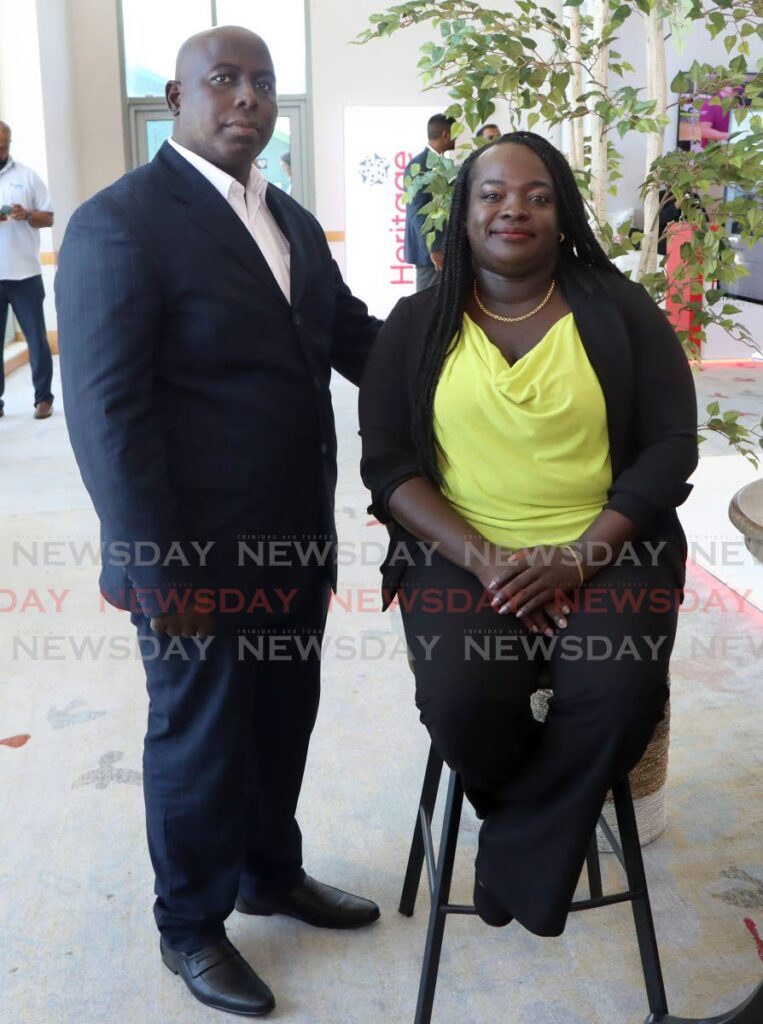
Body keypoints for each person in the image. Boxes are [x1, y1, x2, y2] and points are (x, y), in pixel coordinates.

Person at [56, 27, 382, 1019]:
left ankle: (267, 870)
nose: (245, 98)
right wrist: (160, 573)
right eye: (223, 81)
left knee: (282, 719)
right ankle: (190, 924)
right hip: (192, 561)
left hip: (292, 540)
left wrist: (483, 345)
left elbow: (353, 337)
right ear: (177, 96)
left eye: (261, 83)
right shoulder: (122, 223)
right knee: (199, 737)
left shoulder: (283, 216)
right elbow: (107, 414)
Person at [359, 131, 697, 937]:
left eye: (537, 195)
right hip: (460, 554)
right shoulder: (417, 323)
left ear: (562, 212)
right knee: (461, 696)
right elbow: (388, 465)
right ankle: (540, 842)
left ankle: (512, 854)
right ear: (463, 213)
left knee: (616, 696)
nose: (514, 208)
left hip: (610, 549)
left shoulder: (617, 311)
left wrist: (577, 563)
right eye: (493, 194)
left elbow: (669, 447)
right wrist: (489, 564)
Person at [0, 121, 55, 420]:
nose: (2, 150)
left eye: (5, 144)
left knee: (36, 339)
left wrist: (26, 214)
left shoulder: (26, 176)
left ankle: (43, 399)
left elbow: (48, 217)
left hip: (25, 274)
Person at [403, 113, 455, 292]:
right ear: (445, 135)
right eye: (455, 133)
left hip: (443, 251)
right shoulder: (418, 166)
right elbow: (416, 210)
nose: (457, 138)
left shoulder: (445, 165)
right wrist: (434, 248)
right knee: (426, 307)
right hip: (430, 256)